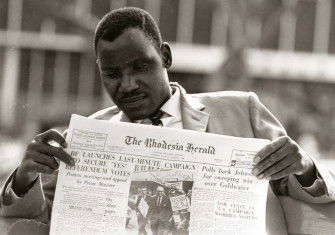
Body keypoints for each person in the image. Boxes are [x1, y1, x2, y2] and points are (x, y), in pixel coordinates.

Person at [0, 7, 334, 233]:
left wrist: (304, 166)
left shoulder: (241, 110)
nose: (127, 84)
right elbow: (36, 224)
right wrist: (24, 178)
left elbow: (310, 192)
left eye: (140, 67)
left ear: (165, 57)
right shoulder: (84, 138)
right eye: (112, 74)